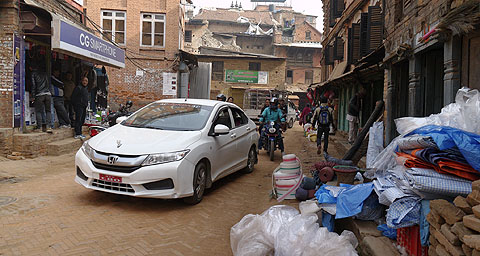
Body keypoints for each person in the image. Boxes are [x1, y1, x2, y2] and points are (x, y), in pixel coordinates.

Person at [31, 65, 53, 133]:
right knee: (48, 111)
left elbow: (33, 85)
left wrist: (33, 96)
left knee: (38, 111)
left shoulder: (33, 74)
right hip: (48, 94)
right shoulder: (45, 73)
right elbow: (49, 84)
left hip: (39, 94)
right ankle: (48, 127)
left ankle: (39, 127)